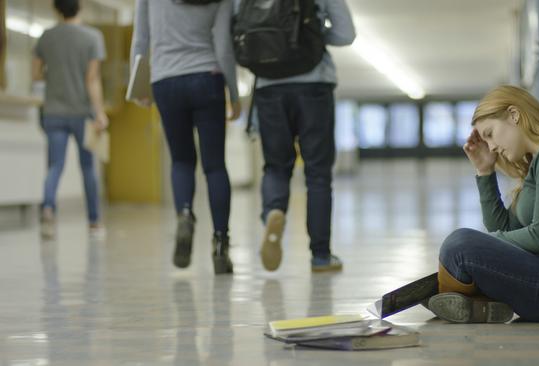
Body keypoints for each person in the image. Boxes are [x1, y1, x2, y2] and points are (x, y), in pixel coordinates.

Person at [425, 85, 539, 323]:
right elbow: (503, 228)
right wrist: (484, 171)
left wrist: (481, 245)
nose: (491, 147)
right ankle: (471, 301)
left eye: (490, 133)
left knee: (459, 245)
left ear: (514, 115)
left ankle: (459, 296)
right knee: (461, 246)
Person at [239, 0, 356, 272]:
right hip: (314, 83)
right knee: (317, 173)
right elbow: (346, 33)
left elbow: (239, 30)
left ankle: (273, 211)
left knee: (276, 166)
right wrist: (310, 34)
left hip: (268, 86)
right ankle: (321, 256)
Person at [130, 0, 240, 274]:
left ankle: (185, 214)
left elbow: (140, 39)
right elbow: (224, 46)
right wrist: (234, 95)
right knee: (214, 166)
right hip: (207, 76)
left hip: (165, 80)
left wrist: (138, 85)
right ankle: (220, 246)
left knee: (181, 160)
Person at [33, 0, 108, 239]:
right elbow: (92, 79)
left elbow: (35, 74)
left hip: (53, 111)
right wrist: (99, 112)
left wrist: (55, 77)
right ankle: (94, 222)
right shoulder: (92, 37)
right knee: (87, 168)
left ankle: (47, 209)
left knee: (55, 166)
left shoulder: (46, 36)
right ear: (80, 7)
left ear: (57, 10)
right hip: (82, 113)